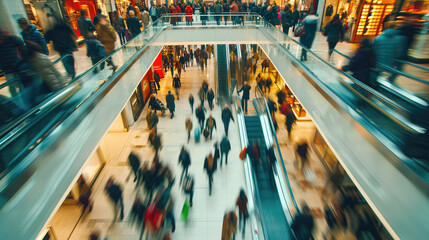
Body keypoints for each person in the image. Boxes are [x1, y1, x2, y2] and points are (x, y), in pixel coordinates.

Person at [0, 29, 29, 97]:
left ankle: (20, 99)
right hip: (13, 65)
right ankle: (23, 98)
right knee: (17, 85)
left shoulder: (10, 38)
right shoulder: (10, 38)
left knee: (15, 85)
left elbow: (20, 44)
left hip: (13, 66)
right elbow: (20, 43)